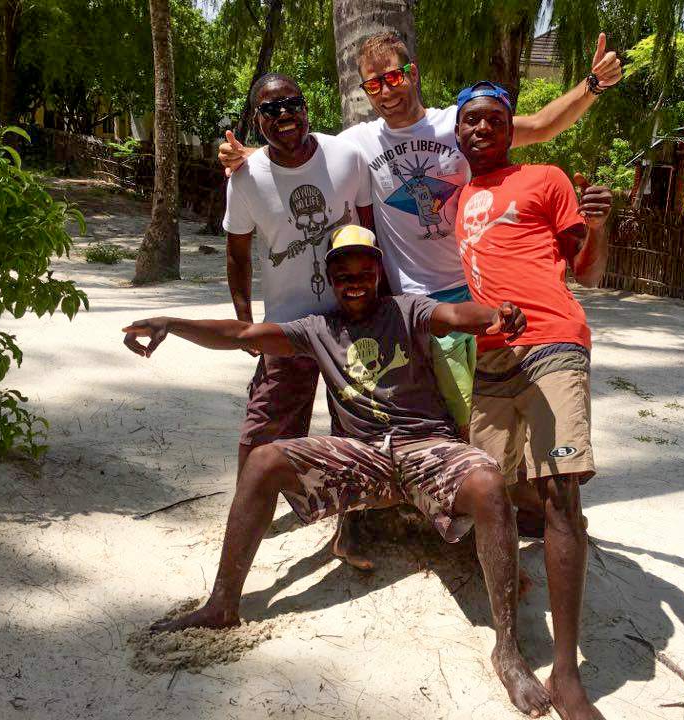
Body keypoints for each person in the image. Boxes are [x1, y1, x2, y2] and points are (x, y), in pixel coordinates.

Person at [122, 226, 553, 718]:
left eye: (364, 272)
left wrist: (495, 315)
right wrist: (172, 323)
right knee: (264, 460)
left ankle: (508, 648)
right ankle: (223, 603)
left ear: (378, 273)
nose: (355, 282)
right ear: (330, 278)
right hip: (362, 454)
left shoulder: (407, 309)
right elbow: (243, 334)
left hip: (426, 445)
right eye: (343, 274)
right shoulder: (317, 328)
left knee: (488, 481)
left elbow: (456, 315)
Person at [220, 31, 622, 432]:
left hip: (473, 295)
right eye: (374, 84)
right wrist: (247, 155)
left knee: (485, 415)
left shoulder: (458, 123)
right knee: (428, 416)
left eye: (394, 78)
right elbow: (304, 149)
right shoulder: (361, 141)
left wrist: (594, 84)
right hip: (409, 304)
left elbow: (541, 126)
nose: (386, 92)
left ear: (412, 73)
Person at [453, 81, 613, 720]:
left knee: (559, 492)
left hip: (553, 340)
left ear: (510, 125)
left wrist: (599, 225)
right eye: (471, 121)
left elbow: (591, 272)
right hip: (490, 356)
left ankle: (567, 671)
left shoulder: (546, 177)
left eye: (494, 119)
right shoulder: (456, 197)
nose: (482, 129)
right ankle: (506, 644)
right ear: (458, 133)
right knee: (486, 491)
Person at [221, 72, 375, 569]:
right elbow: (238, 252)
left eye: (292, 103)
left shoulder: (346, 157)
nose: (284, 115)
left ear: (307, 107)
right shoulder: (245, 178)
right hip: (287, 326)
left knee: (358, 428)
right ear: (257, 119)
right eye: (270, 109)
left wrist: (381, 307)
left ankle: (352, 526)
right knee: (263, 427)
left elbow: (369, 232)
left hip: (349, 320)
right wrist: (245, 321)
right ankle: (248, 516)